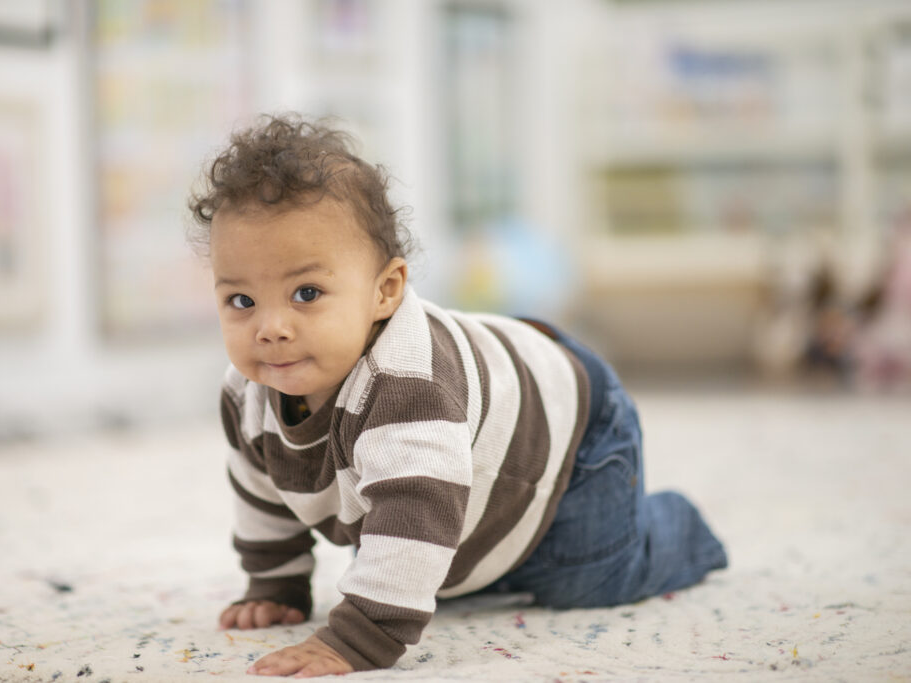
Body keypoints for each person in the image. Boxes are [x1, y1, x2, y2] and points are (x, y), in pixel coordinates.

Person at [188, 114, 727, 677]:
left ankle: (677, 528)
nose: (270, 327)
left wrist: (355, 641)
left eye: (306, 293)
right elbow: (263, 486)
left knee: (581, 575)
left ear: (385, 292)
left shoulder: (406, 387)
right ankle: (484, 553)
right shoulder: (246, 393)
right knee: (411, 561)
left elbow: (415, 510)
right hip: (461, 467)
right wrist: (275, 581)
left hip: (569, 440)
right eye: (241, 301)